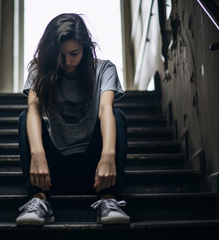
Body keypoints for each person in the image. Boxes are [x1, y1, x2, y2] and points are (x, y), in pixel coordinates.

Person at [16, 13, 130, 225]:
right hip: (51, 173)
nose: (67, 62)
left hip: (96, 171)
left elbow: (105, 109)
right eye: (60, 55)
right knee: (26, 116)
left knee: (117, 115)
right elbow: (33, 108)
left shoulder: (104, 69)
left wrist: (107, 156)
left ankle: (108, 199)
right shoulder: (39, 70)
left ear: (85, 48)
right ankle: (38, 199)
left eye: (74, 54)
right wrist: (38, 155)